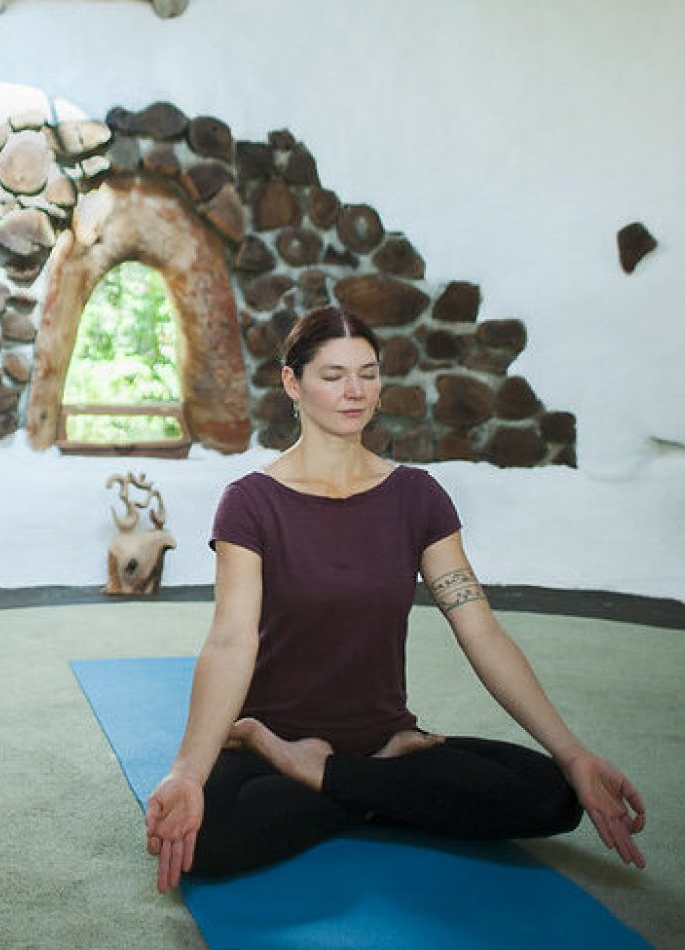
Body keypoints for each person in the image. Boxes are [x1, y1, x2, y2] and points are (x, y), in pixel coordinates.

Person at [146, 306, 645, 893]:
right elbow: (230, 641)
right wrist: (188, 770)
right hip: (270, 740)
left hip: (387, 740)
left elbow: (480, 629)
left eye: (368, 374)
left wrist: (574, 752)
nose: (355, 391)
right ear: (292, 383)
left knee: (554, 795)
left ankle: (329, 775)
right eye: (333, 376)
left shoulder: (417, 497)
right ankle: (359, 781)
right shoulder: (251, 502)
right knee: (207, 840)